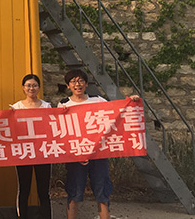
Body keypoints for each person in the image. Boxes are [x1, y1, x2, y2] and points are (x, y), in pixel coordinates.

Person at [58, 69, 140, 219]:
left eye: (81, 81)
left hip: (98, 153)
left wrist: (130, 101)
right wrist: (75, 153)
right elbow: (61, 131)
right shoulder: (63, 104)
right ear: (68, 85)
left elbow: (116, 111)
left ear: (86, 84)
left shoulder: (98, 100)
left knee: (102, 191)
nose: (77, 84)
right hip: (76, 155)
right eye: (73, 81)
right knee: (74, 192)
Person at [10, 74, 52, 219]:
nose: (31, 88)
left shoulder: (46, 106)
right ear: (23, 88)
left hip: (43, 152)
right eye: (28, 85)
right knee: (24, 189)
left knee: (43, 191)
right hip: (24, 153)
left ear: (39, 88)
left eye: (34, 85)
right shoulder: (16, 107)